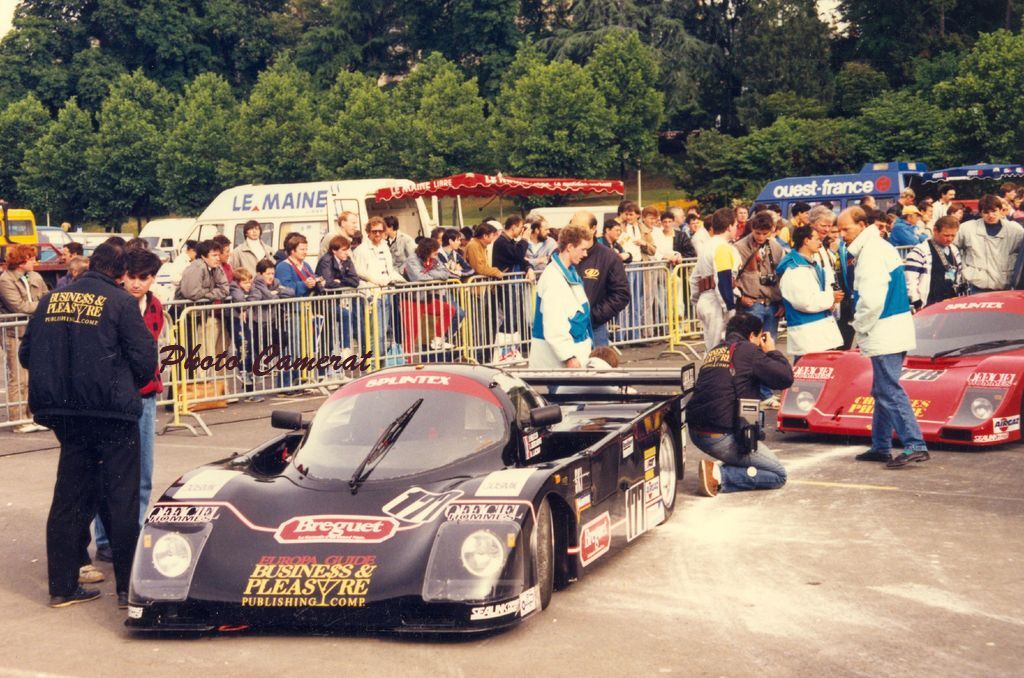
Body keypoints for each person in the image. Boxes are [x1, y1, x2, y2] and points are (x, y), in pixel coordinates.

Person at [20, 241, 157, 608]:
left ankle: (63, 587)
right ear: (121, 272)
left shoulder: (51, 300)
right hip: (111, 412)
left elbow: (26, 353)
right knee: (122, 498)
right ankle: (128, 589)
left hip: (66, 413)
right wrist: (121, 380)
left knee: (69, 497)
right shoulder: (121, 302)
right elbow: (146, 359)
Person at [88, 248, 165, 563]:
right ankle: (106, 539)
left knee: (143, 472)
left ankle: (133, 534)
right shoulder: (114, 303)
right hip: (115, 399)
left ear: (152, 279)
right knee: (109, 471)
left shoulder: (155, 306)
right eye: (131, 277)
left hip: (145, 394)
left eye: (143, 278)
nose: (136, 284)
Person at [837, 207, 930, 468]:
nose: (842, 234)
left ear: (862, 225)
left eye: (846, 229)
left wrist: (859, 326)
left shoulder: (871, 253)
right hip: (893, 327)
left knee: (887, 389)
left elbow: (871, 301)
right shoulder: (877, 247)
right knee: (882, 389)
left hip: (884, 329)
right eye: (839, 229)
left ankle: (914, 444)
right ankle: (881, 446)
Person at [686, 313, 794, 497]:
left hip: (697, 432)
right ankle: (719, 475)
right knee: (777, 475)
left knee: (755, 458)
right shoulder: (749, 351)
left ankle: (719, 468)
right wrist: (771, 351)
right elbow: (785, 377)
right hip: (720, 436)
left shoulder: (716, 350)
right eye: (760, 337)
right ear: (752, 336)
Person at [528, 225, 594, 369]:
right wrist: (568, 357)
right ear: (570, 247)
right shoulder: (553, 278)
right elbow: (554, 323)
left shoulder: (569, 272)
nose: (585, 254)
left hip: (575, 351)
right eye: (583, 249)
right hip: (560, 362)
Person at [0, 245, 49, 433]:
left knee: (33, 377)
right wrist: (42, 306)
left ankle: (32, 416)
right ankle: (18, 420)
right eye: (31, 259)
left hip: (35, 332)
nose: (35, 262)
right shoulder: (5, 280)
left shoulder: (36, 277)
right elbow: (18, 306)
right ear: (21, 261)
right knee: (18, 378)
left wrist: (41, 304)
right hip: (14, 333)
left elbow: (46, 297)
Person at [776, 226, 844, 360]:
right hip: (807, 332)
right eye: (817, 239)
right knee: (806, 368)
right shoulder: (794, 269)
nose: (820, 243)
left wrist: (831, 301)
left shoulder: (811, 264)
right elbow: (804, 302)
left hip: (817, 330)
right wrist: (831, 298)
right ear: (806, 241)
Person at [575, 212, 630, 347]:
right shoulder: (560, 255)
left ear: (593, 229)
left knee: (597, 360)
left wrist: (593, 316)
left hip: (595, 329)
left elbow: (621, 294)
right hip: (565, 328)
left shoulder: (609, 257)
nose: (575, 232)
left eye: (581, 227)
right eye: (572, 226)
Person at [690, 207, 739, 351]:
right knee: (718, 350)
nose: (736, 228)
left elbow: (694, 278)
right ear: (729, 226)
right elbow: (723, 279)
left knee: (711, 347)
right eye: (735, 225)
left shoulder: (707, 246)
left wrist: (696, 299)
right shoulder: (722, 247)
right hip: (717, 302)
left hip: (706, 299)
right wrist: (729, 307)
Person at [955, 194, 1024, 293]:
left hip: (1006, 286)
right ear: (980, 213)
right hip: (977, 285)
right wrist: (965, 270)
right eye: (986, 212)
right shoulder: (967, 228)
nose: (991, 215)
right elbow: (951, 248)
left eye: (994, 211)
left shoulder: (1015, 230)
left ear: (1001, 210)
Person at [905, 216, 965, 311]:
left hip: (950, 300)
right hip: (929, 302)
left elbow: (958, 273)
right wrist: (916, 302)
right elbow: (910, 279)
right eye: (946, 235)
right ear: (935, 230)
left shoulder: (954, 250)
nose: (950, 239)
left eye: (953, 235)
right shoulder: (920, 251)